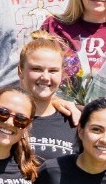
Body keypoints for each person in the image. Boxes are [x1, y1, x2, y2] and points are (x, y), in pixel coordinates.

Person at [16, 33, 83, 163]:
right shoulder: (4, 117)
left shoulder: (75, 121)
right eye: (36, 69)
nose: (45, 77)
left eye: (53, 71)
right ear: (20, 71)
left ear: (62, 74)